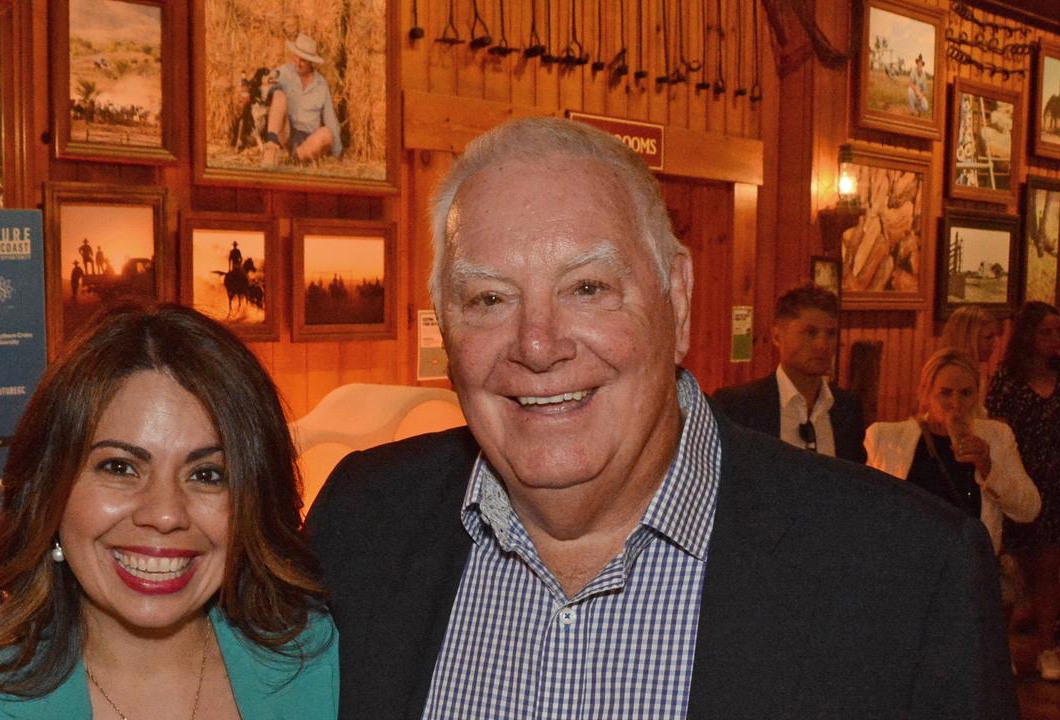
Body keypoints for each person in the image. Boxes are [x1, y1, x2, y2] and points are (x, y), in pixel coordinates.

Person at [306, 117, 1015, 719]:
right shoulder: (361, 522)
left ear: (676, 298)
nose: (537, 345)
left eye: (587, 288)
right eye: (489, 299)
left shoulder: (908, 576)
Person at [0, 303, 338, 718]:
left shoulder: (324, 667)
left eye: (207, 475)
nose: (164, 514)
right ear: (50, 491)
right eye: (120, 467)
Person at [864, 348, 1038, 555]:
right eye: (945, 392)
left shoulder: (996, 436)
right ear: (926, 394)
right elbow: (870, 509)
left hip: (969, 565)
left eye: (966, 393)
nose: (956, 404)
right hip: (910, 560)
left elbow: (1029, 508)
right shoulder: (888, 438)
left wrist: (988, 467)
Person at [987, 301, 1060, 680]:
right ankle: (1003, 651)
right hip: (1018, 479)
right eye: (1044, 332)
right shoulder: (1008, 381)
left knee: (1049, 567)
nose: (1052, 340)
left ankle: (1048, 647)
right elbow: (997, 429)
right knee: (1010, 570)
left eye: (1056, 332)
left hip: (1055, 482)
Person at [712, 285, 866, 463]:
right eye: (811, 333)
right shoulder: (738, 406)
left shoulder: (847, 409)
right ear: (777, 337)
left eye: (830, 334)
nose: (823, 345)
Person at [261, 33, 342, 167]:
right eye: (296, 58)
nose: (297, 63)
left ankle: (295, 157)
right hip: (286, 133)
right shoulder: (284, 71)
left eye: (303, 60)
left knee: (326, 133)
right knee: (279, 95)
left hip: (308, 139)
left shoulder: (321, 85)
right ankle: (270, 149)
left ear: (311, 62)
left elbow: (330, 118)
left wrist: (337, 152)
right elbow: (265, 84)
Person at [939, 305, 1001, 413]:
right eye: (988, 337)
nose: (995, 344)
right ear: (968, 337)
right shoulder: (950, 375)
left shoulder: (976, 373)